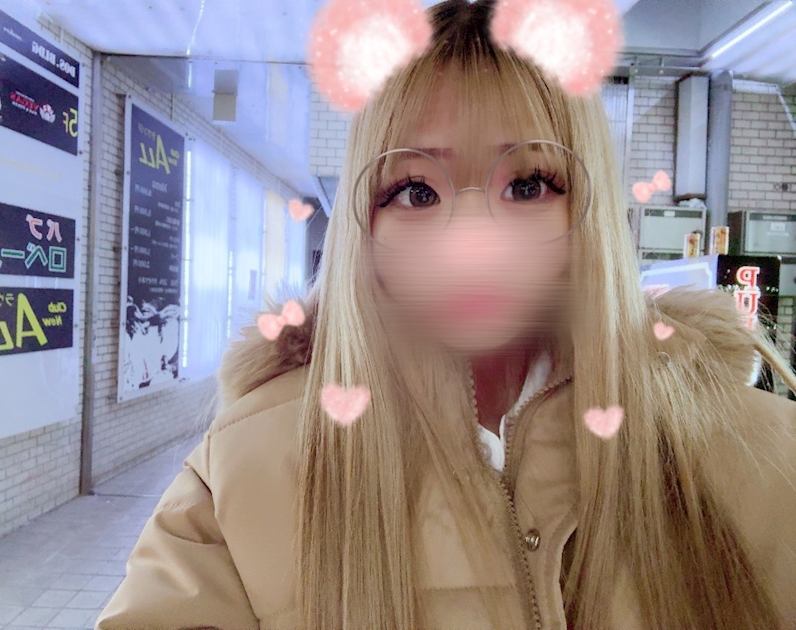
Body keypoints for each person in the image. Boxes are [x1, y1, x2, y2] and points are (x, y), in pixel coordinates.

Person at [95, 1, 796, 628]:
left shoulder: (751, 453)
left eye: (528, 184)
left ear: (586, 209)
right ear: (365, 222)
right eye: (416, 192)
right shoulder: (250, 468)